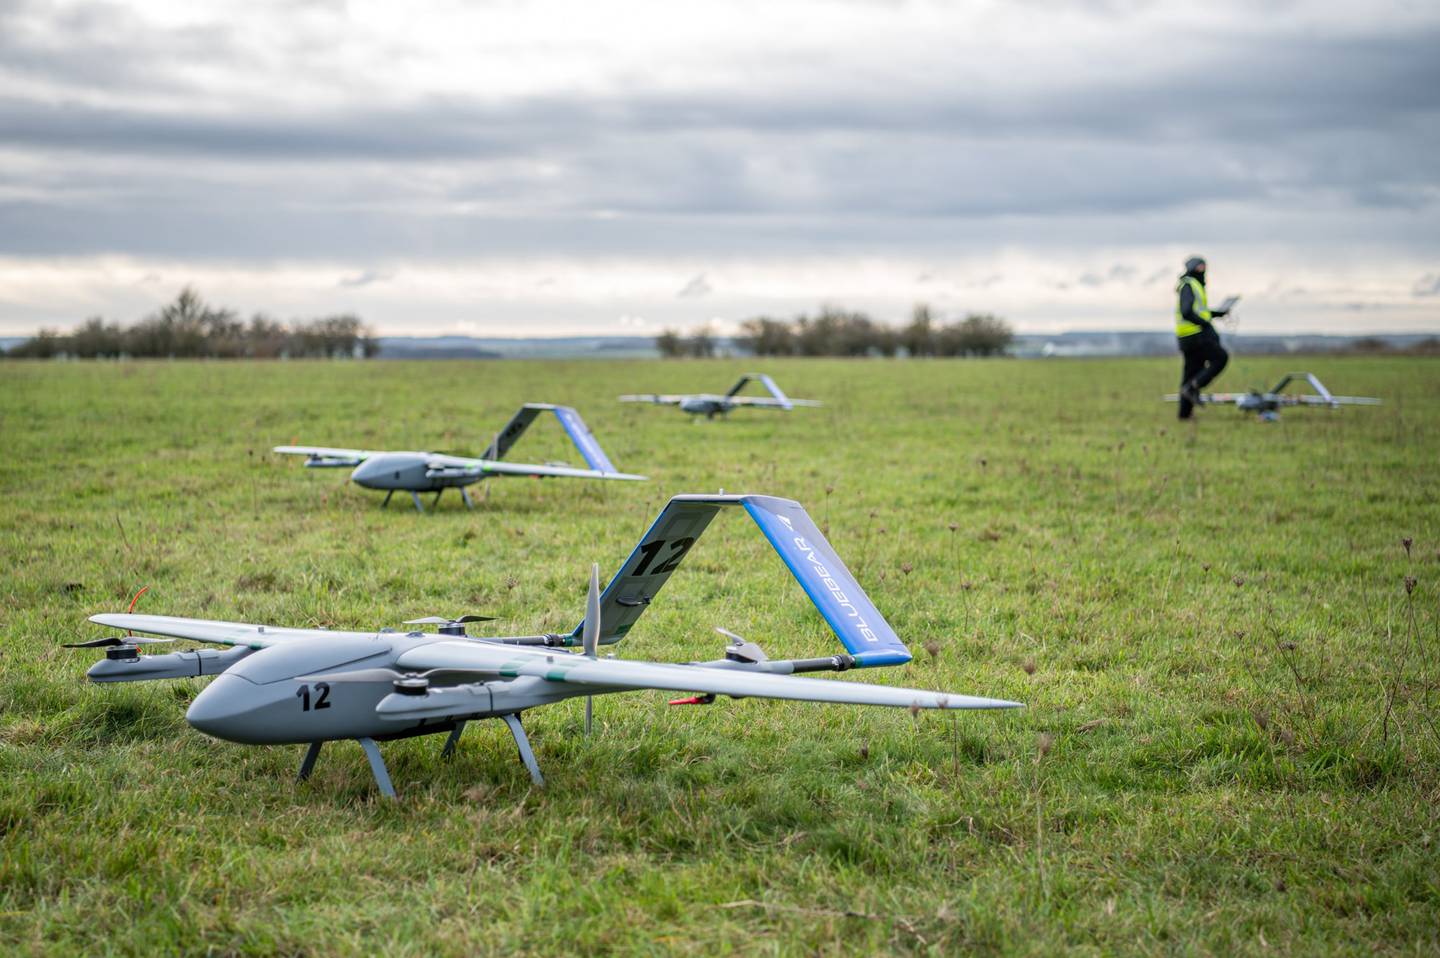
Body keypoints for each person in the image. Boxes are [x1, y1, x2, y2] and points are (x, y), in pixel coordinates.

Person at [1175, 255, 1230, 419]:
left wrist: (1217, 314)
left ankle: (1184, 415)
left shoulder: (1191, 285)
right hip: (1196, 336)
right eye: (1200, 267)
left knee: (1191, 372)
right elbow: (1187, 312)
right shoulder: (1189, 285)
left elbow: (1200, 311)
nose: (1203, 271)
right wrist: (1205, 324)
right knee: (1221, 357)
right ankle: (1194, 386)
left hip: (1187, 337)